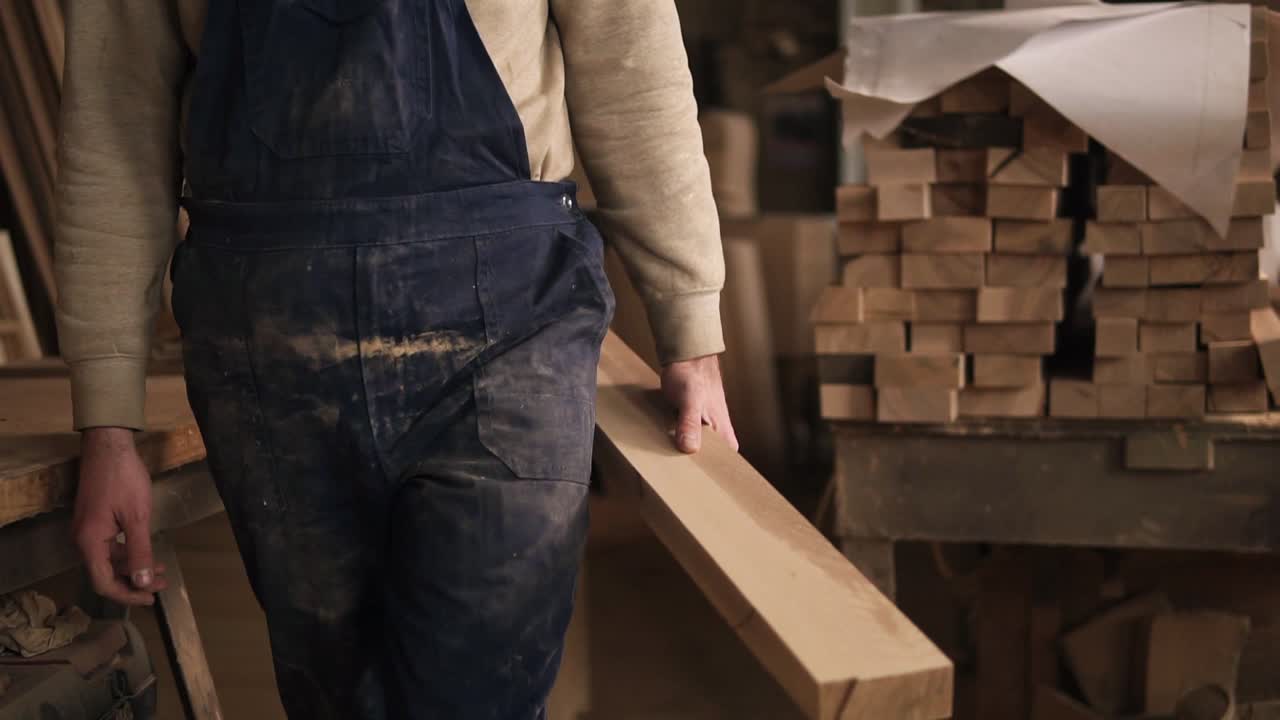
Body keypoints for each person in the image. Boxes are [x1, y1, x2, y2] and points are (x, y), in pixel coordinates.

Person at [54, 2, 737, 717]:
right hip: (269, 357)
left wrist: (688, 325)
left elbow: (632, 73)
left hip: (504, 328)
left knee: (478, 694)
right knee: (337, 696)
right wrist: (108, 425)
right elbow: (113, 133)